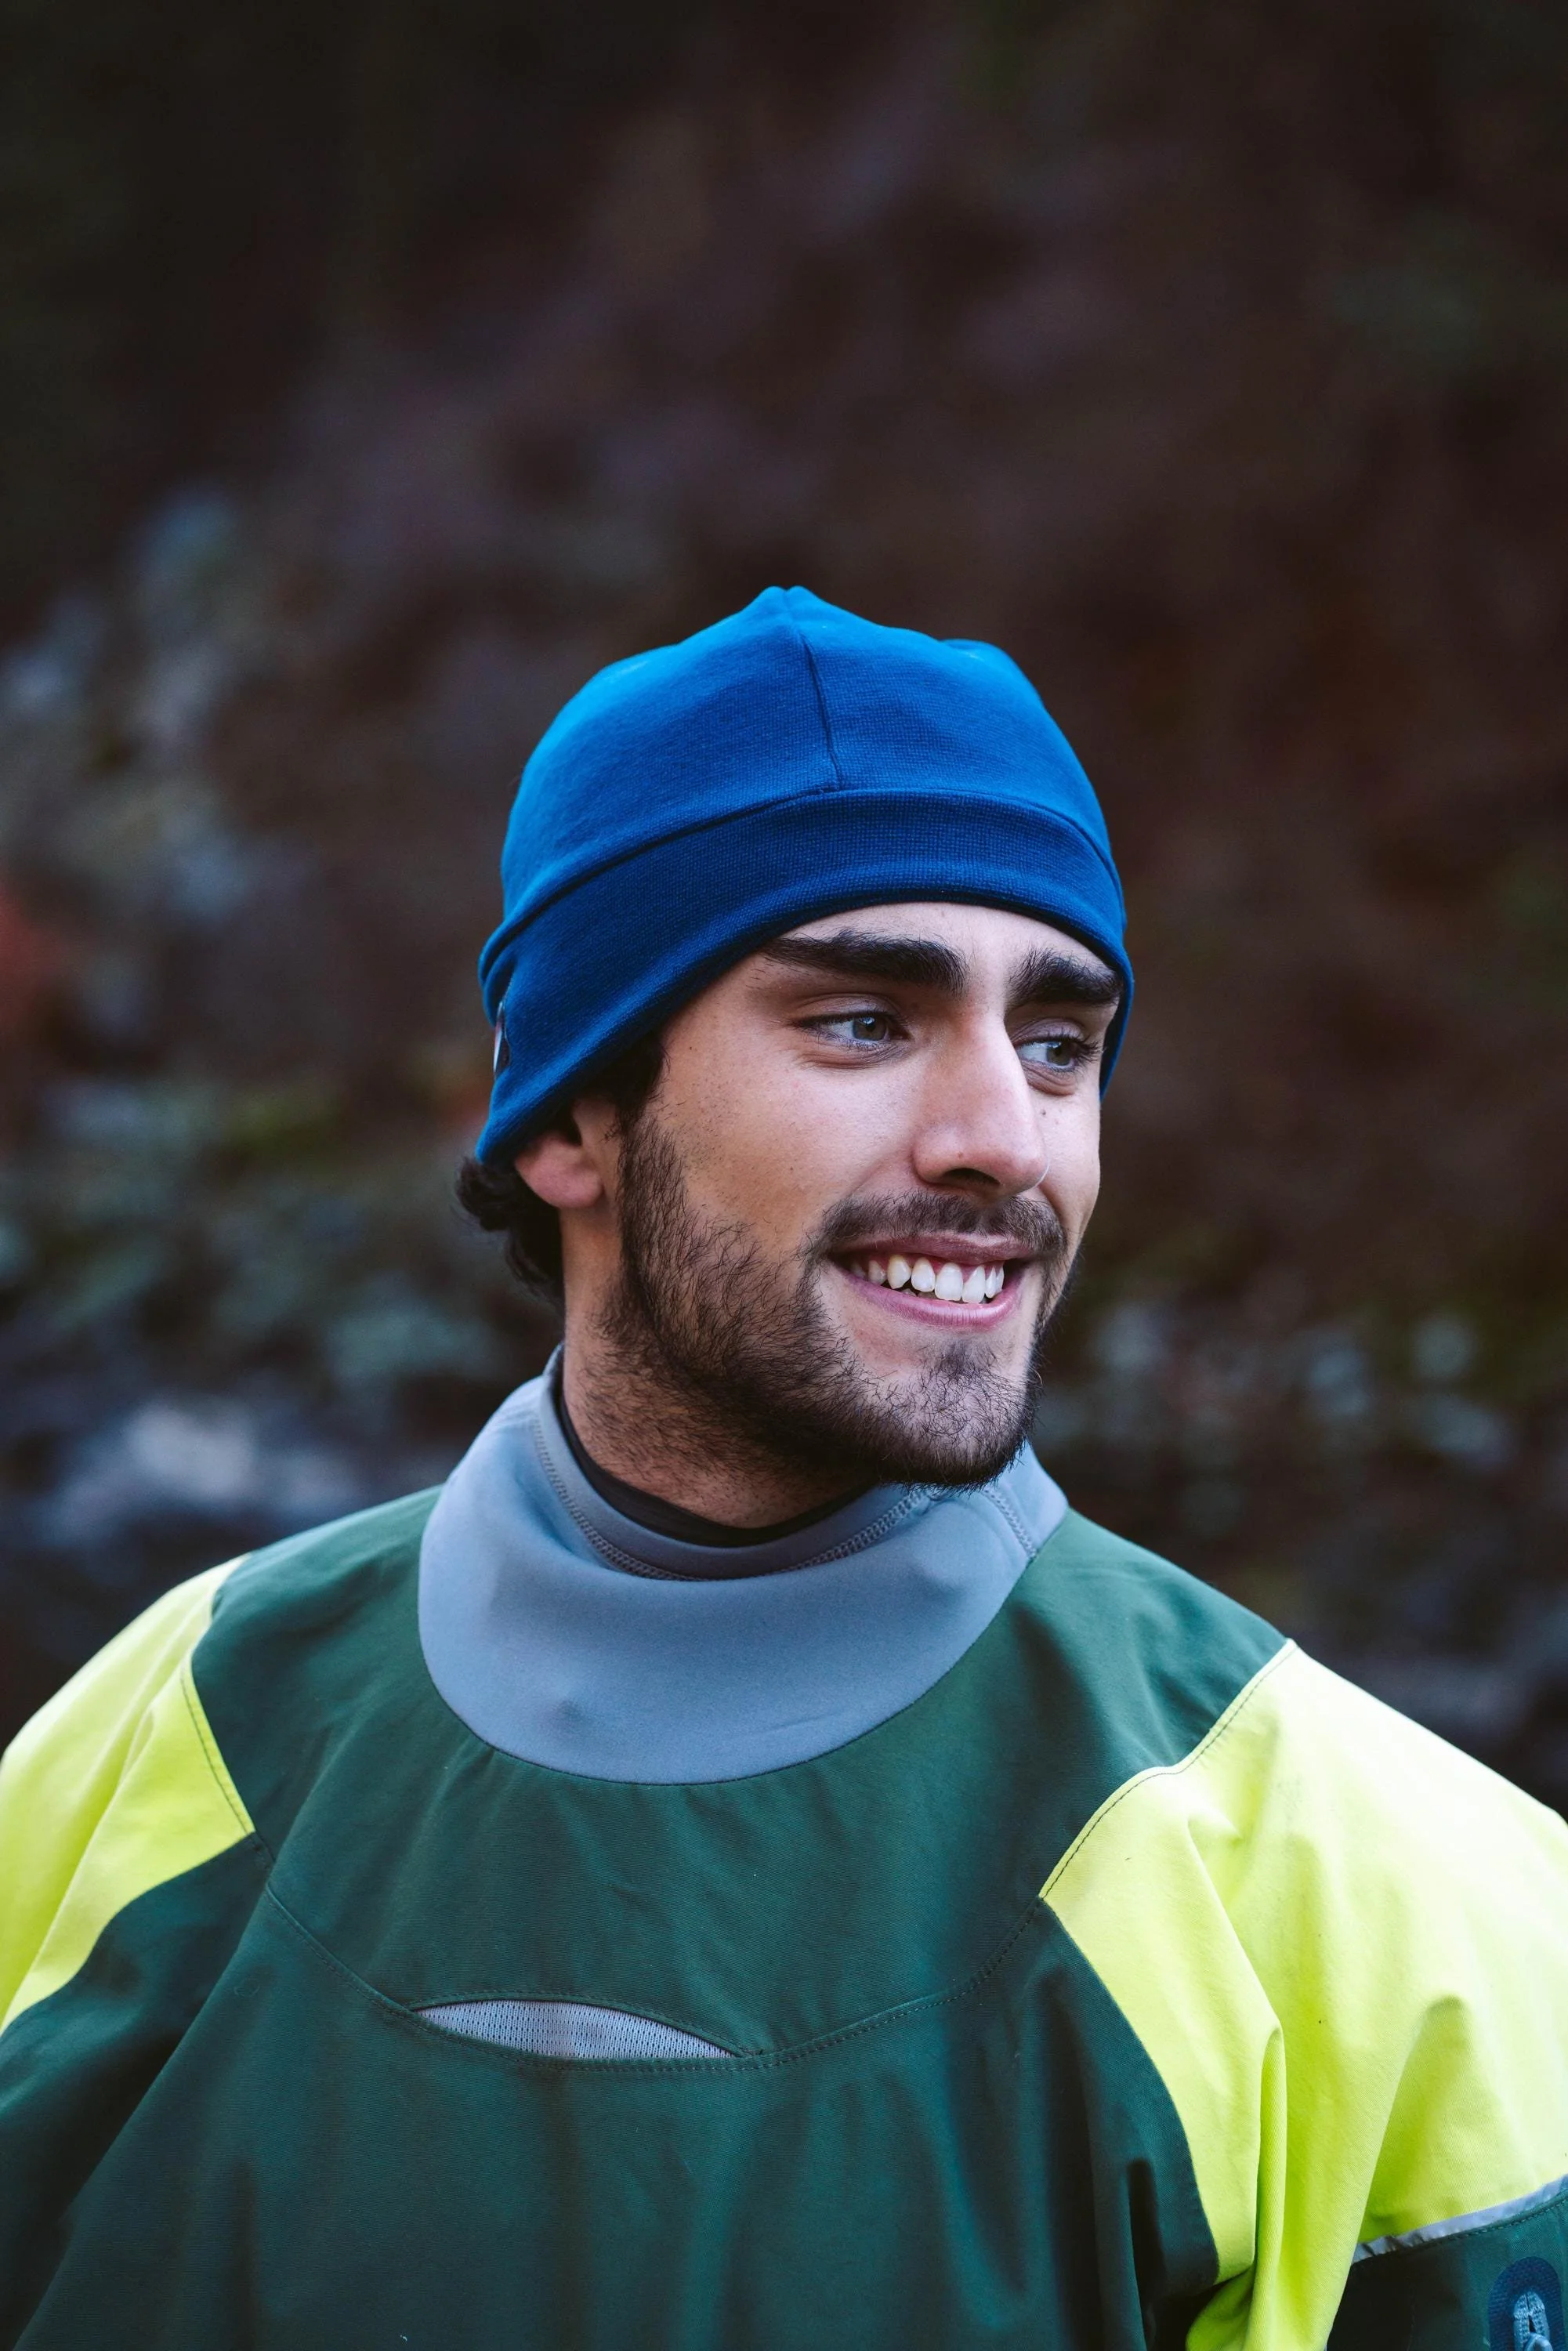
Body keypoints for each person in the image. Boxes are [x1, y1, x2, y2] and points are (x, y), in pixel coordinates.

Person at [1, 589, 1565, 2351]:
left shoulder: (1415, 1911)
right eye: (862, 1023)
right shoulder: (162, 1739)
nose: (1004, 1140)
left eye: (1058, 1044)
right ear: (572, 1120)